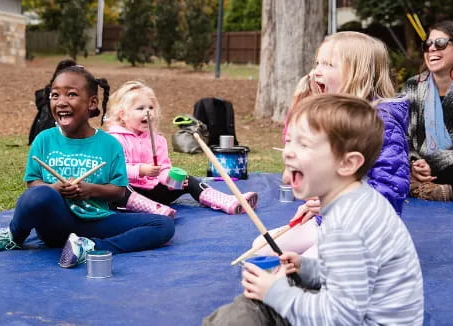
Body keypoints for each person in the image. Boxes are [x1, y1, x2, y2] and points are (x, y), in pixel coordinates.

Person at [203, 94, 424, 326]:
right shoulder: (356, 201)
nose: (288, 152)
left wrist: (275, 292)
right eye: (289, 141)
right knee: (248, 307)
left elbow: (339, 318)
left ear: (347, 164)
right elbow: (352, 274)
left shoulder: (346, 226)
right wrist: (306, 267)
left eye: (304, 144)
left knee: (241, 316)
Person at [0, 61, 175, 269]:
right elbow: (32, 184)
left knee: (163, 225)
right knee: (39, 194)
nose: (61, 102)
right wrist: (55, 190)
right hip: (56, 224)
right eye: (55, 95)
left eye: (72, 94)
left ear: (92, 103)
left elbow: (119, 192)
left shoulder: (110, 145)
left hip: (96, 221)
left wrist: (90, 190)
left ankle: (91, 247)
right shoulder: (44, 139)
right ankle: (14, 236)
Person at [252, 31, 410, 257]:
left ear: (358, 74)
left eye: (328, 64)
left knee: (307, 265)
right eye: (317, 63)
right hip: (331, 222)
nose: (317, 71)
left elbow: (390, 190)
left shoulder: (382, 122)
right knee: (262, 247)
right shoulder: (335, 116)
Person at [104, 80, 258, 217]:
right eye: (140, 108)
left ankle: (227, 201)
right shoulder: (114, 139)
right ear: (123, 115)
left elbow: (164, 168)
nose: (148, 112)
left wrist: (170, 180)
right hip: (128, 193)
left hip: (154, 192)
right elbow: (115, 171)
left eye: (151, 107)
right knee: (119, 187)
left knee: (187, 180)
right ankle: (154, 210)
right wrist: (141, 170)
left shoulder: (158, 140)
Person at [402, 20, 453, 201]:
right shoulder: (413, 86)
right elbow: (404, 136)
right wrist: (415, 163)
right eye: (427, 44)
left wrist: (432, 163)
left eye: (440, 43)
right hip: (419, 167)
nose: (432, 49)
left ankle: (423, 188)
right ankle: (430, 188)